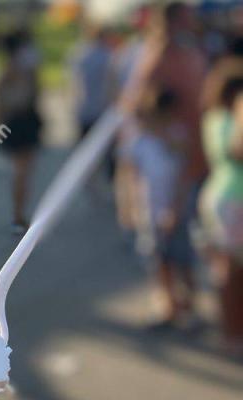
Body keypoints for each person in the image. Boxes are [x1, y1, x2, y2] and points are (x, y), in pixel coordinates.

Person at [118, 2, 207, 323]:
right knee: (162, 244)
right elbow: (134, 106)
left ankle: (187, 302)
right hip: (170, 161)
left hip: (189, 161)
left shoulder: (190, 56)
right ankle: (170, 302)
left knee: (182, 241)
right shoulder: (155, 57)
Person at [122, 88, 192, 329]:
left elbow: (184, 175)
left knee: (182, 258)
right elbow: (131, 177)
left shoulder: (175, 136)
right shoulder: (139, 142)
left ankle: (187, 305)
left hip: (175, 209)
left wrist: (175, 208)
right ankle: (166, 305)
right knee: (158, 260)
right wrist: (129, 209)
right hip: (149, 210)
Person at [199, 63, 243, 353]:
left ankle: (231, 330)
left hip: (220, 195)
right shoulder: (228, 119)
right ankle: (231, 333)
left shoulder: (213, 117)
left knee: (228, 269)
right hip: (232, 198)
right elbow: (236, 150)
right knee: (231, 271)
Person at [0, 29, 43, 234]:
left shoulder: (6, 70)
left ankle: (19, 212)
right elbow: (28, 94)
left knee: (23, 170)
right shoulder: (15, 71)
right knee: (22, 171)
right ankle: (18, 214)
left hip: (18, 120)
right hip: (20, 121)